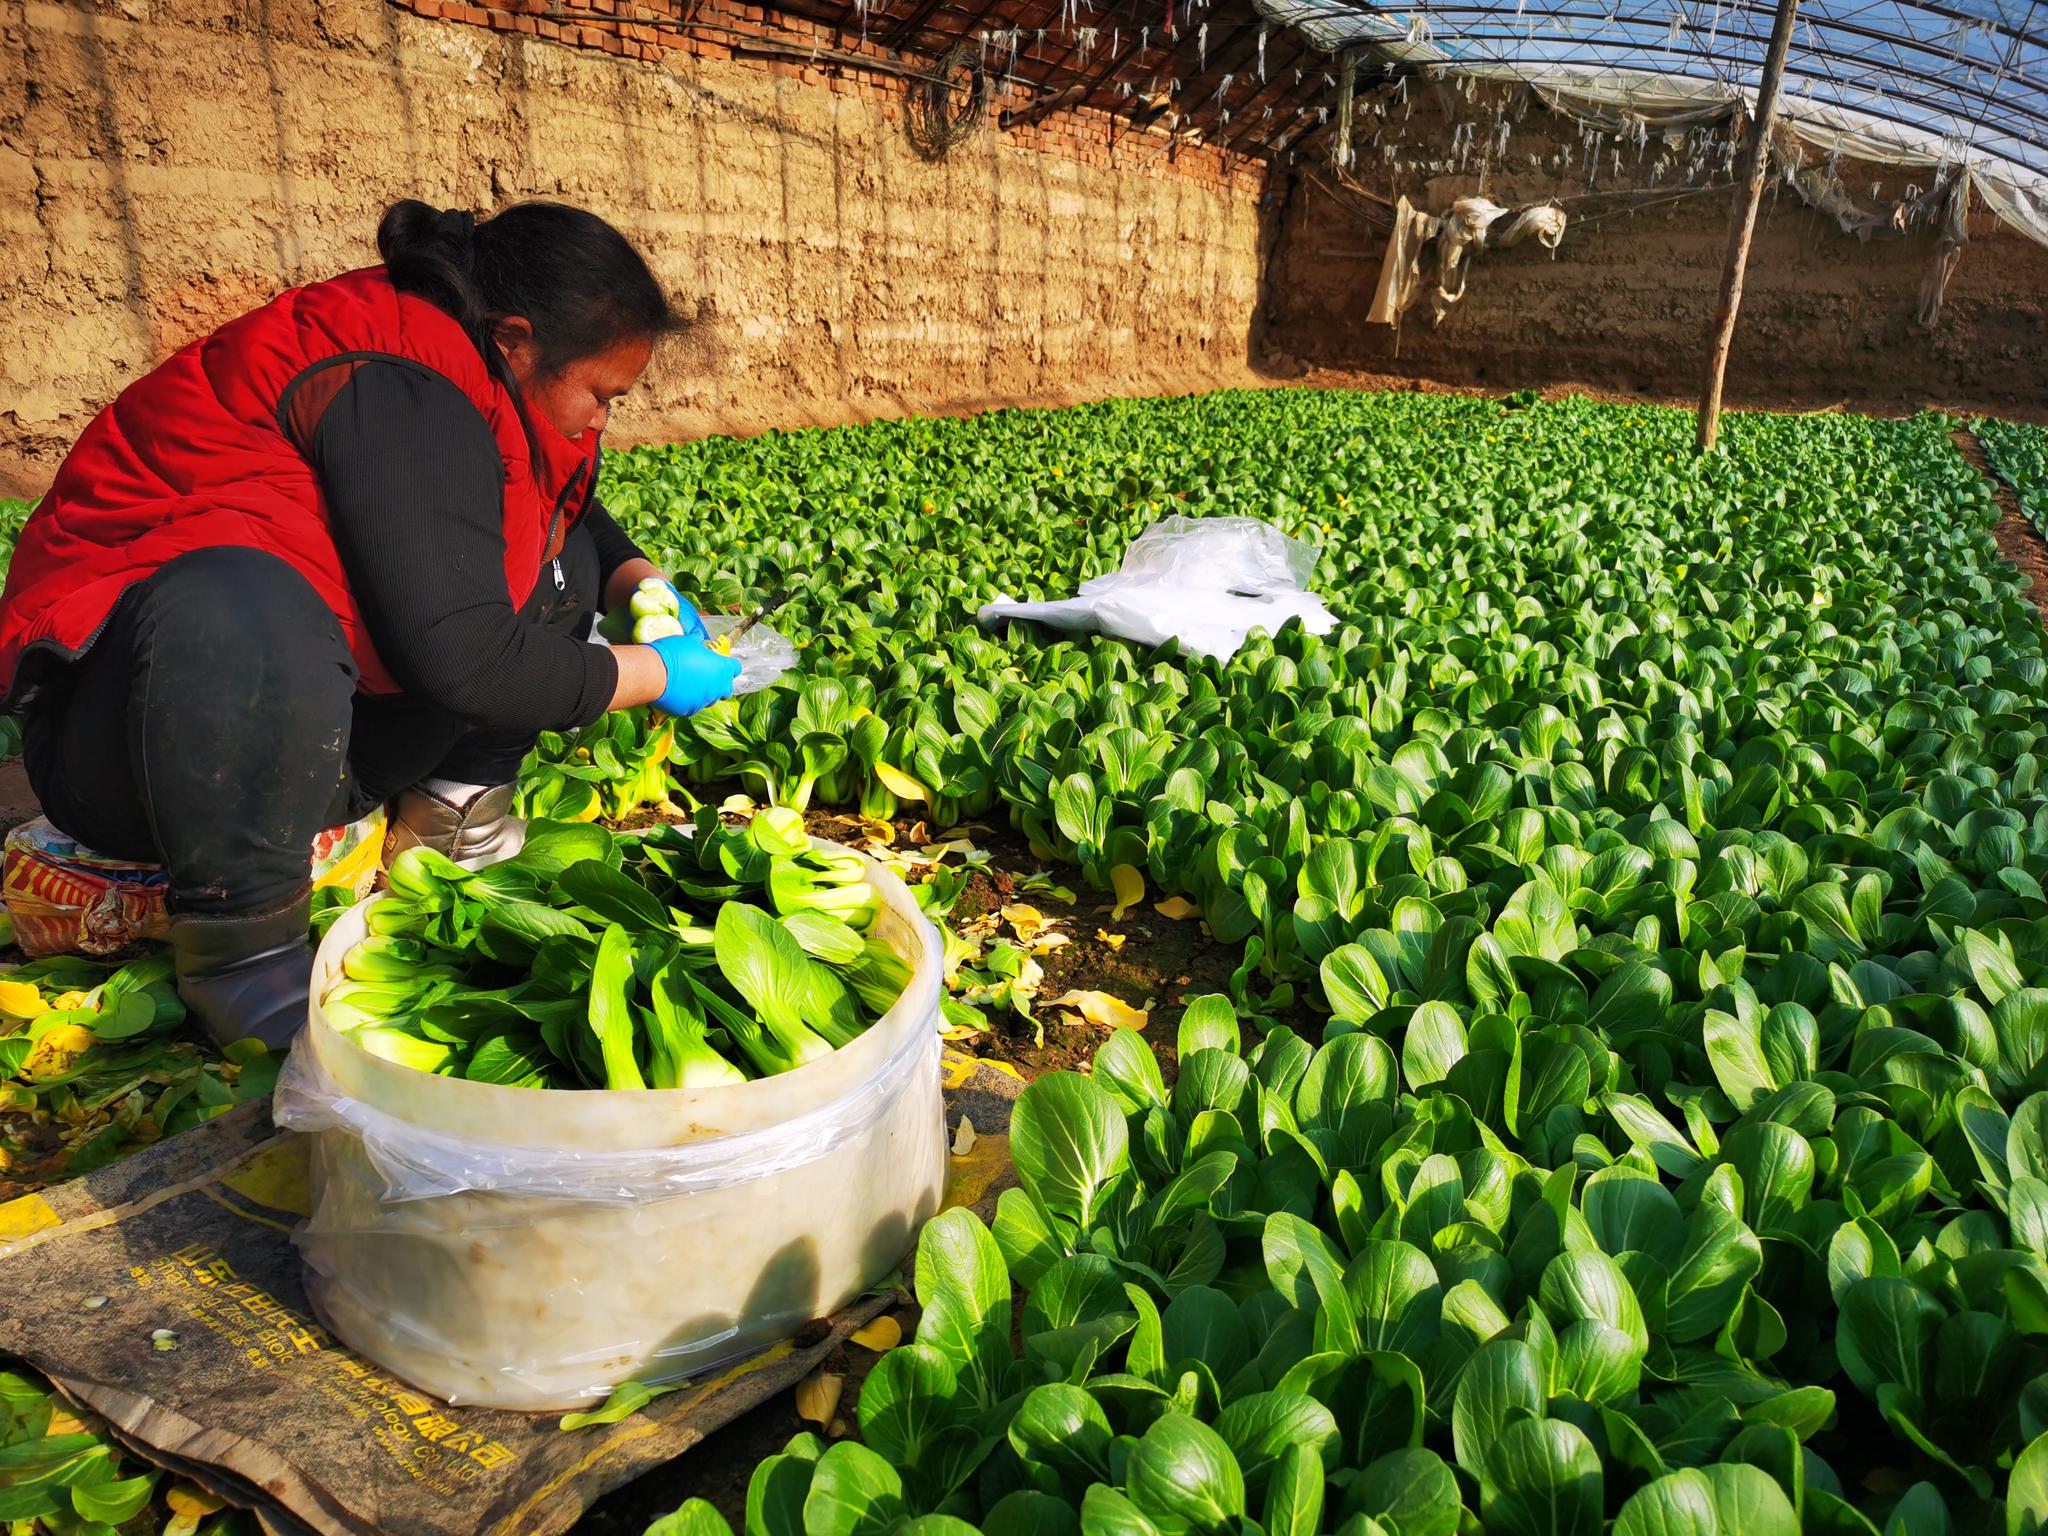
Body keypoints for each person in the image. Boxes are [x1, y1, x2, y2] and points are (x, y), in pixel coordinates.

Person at [0, 200, 742, 1050]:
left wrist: (639, 580)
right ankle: (242, 956)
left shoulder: (486, 376)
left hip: (302, 734)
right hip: (147, 745)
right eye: (602, 395)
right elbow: (465, 661)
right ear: (517, 339)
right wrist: (652, 672)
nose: (603, 420)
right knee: (241, 600)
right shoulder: (396, 378)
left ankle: (454, 825)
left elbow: (559, 503)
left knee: (560, 551)